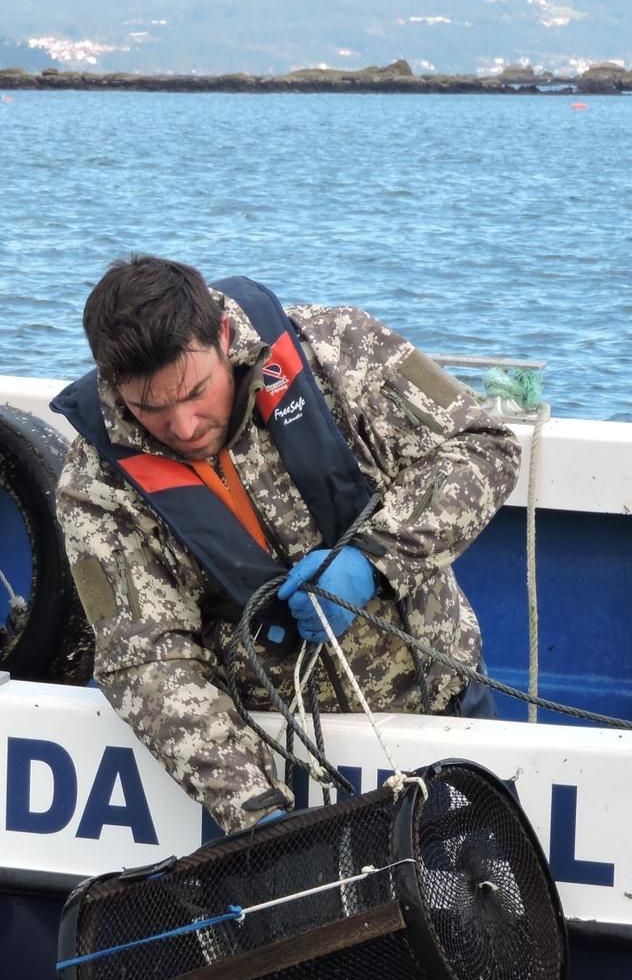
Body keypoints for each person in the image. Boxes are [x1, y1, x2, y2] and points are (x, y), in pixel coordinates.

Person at [52, 256, 520, 833]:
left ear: (223, 338)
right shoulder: (95, 486)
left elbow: (481, 447)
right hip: (278, 751)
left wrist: (373, 558)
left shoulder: (337, 347)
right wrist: (260, 813)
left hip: (443, 704)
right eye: (151, 408)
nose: (185, 425)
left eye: (197, 391)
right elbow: (147, 658)